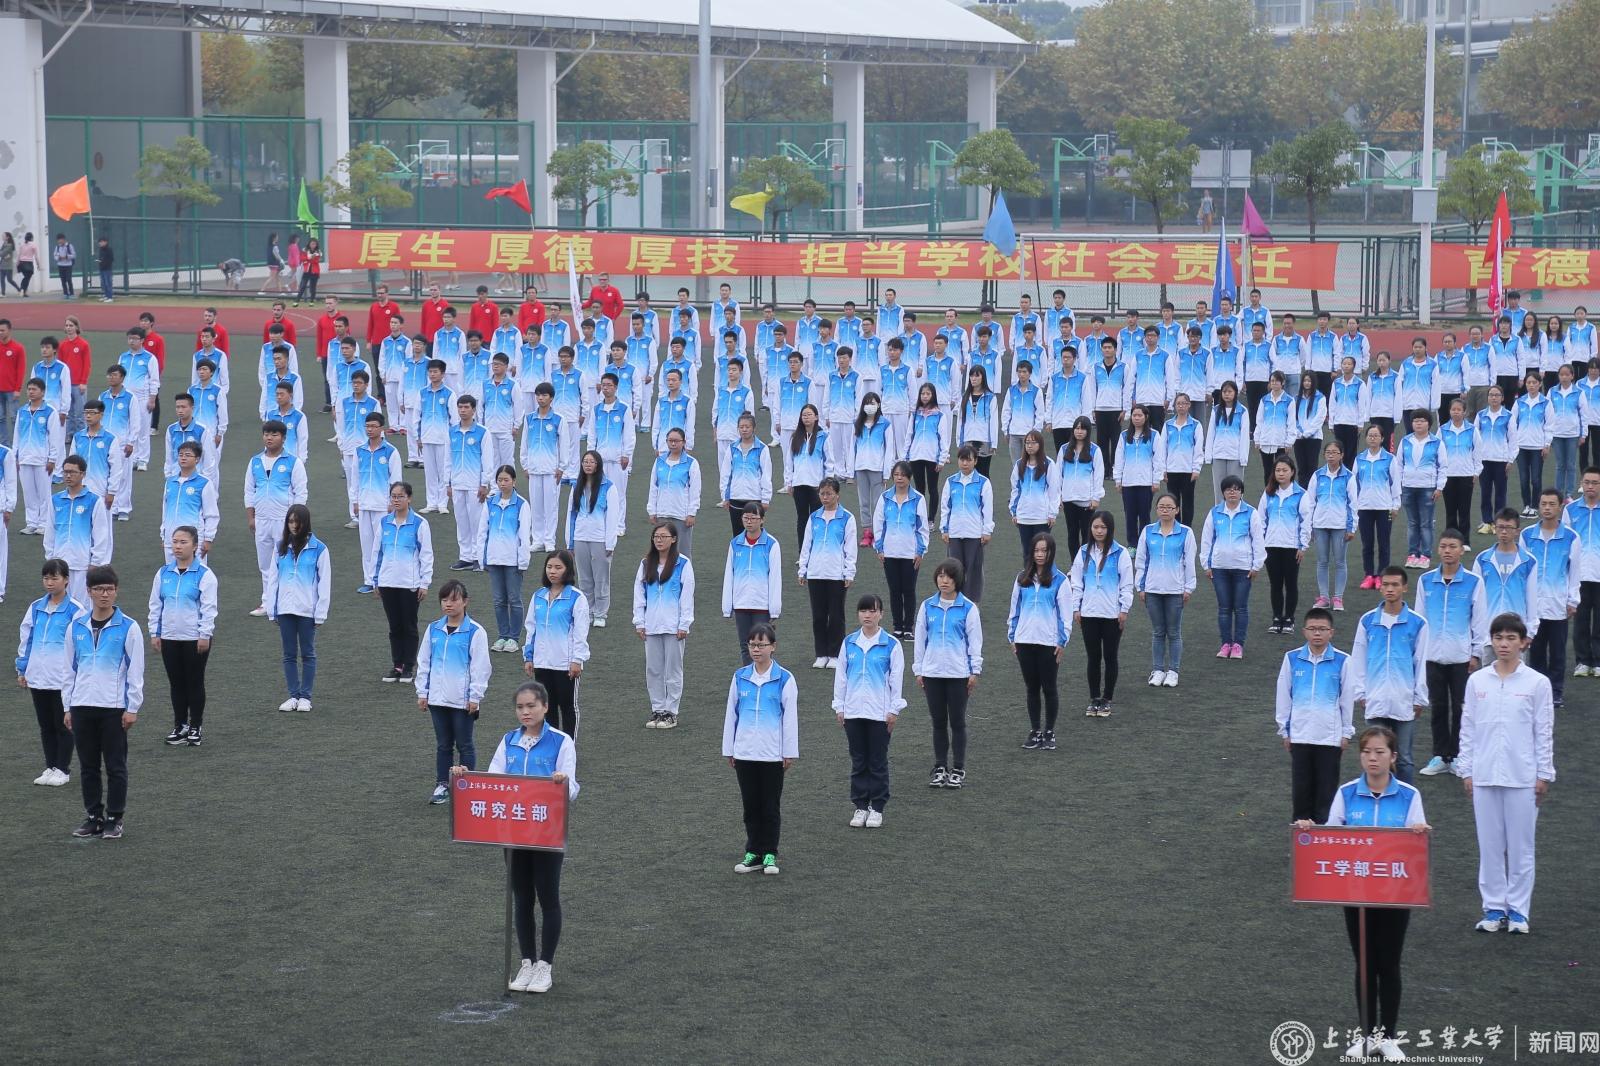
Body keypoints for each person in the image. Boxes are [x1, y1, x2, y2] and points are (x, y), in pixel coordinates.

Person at [1295, 725, 1430, 1063]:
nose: (1373, 758)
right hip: (1355, 892)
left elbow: (1416, 845)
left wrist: (1418, 832)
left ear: (1393, 757)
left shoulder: (1410, 796)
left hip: (1396, 894)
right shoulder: (1346, 793)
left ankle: (1390, 1037)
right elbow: (1332, 838)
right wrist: (1311, 831)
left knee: (1389, 963)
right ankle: (1367, 1034)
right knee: (1365, 962)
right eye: (1367, 752)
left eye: (1380, 752)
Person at [471, 680, 577, 994]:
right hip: (513, 831)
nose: (525, 712)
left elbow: (573, 787)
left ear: (545, 707)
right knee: (522, 898)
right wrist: (466, 778)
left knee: (548, 897)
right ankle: (527, 961)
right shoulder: (508, 741)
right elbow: (493, 779)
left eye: (531, 706)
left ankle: (545, 965)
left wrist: (561, 782)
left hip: (546, 832)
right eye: (520, 707)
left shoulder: (561, 742)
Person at [1459, 612, 1555, 937]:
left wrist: (1544, 773)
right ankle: (1493, 908)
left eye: (1511, 638)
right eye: (1498, 637)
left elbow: (1544, 731)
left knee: (1521, 846)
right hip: (1484, 774)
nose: (1504, 644)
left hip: (1522, 776)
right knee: (1489, 845)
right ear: (1492, 640)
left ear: (1524, 643)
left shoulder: (1537, 684)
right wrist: (1466, 769)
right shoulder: (1477, 681)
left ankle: (1518, 911)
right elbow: (1468, 728)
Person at [63, 564, 144, 840]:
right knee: (87, 766)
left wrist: (132, 707)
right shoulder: (76, 627)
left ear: (116, 591)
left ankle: (115, 818)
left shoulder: (129, 628)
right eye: (99, 589)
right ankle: (93, 816)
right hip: (82, 706)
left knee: (115, 766)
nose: (104, 595)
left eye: (109, 589)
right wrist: (67, 706)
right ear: (89, 592)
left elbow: (136, 671)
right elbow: (69, 669)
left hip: (113, 708)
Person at [722, 623, 798, 876]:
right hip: (744, 753)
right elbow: (731, 715)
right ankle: (753, 851)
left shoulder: (784, 679)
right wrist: (729, 749)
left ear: (773, 647)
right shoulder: (740, 676)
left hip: (771, 754)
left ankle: (769, 853)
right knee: (751, 805)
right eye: (752, 645)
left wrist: (788, 752)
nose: (756, 649)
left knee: (769, 805)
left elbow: (790, 719)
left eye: (761, 645)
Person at [1415, 530, 1490, 778]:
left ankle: (1458, 756)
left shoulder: (1473, 582)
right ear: (1438, 550)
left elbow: (1479, 620)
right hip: (1432, 656)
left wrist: (1476, 653)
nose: (1447, 551)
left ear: (1461, 551)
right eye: (1444, 546)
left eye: (1453, 546)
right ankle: (1440, 755)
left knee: (1461, 708)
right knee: (1437, 706)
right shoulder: (1425, 581)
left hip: (1461, 657)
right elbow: (1419, 619)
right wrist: (1419, 652)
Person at [1275, 606, 1354, 824]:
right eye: (1312, 629)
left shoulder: (1342, 660)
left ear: (1332, 632)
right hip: (1299, 736)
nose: (1317, 633)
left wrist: (1346, 732)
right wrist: (1285, 731)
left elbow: (1347, 699)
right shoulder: (1292, 659)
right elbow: (1284, 696)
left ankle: (1324, 846)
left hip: (1330, 738)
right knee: (1301, 793)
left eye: (1322, 629)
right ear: (1304, 632)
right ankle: (1301, 846)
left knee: (1326, 794)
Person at [1351, 567, 1430, 784]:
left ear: (1404, 587)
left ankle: (1406, 807)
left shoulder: (1418, 623)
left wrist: (1419, 697)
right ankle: (1376, 798)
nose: (1389, 589)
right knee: (1375, 755)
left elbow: (1421, 663)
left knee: (1403, 758)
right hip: (1374, 698)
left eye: (1395, 585)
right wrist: (1360, 693)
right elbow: (1358, 659)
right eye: (1385, 584)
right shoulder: (1367, 621)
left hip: (1404, 699)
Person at [831, 594, 903, 828]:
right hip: (853, 713)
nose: (868, 615)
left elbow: (896, 680)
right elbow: (841, 677)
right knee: (858, 760)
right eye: (863, 611)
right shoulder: (849, 642)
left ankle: (877, 807)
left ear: (881, 614)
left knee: (877, 761)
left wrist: (894, 710)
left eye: (872, 611)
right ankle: (860, 806)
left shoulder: (891, 644)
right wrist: (839, 706)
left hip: (879, 714)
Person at [416, 580, 491, 805]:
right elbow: (424, 662)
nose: (449, 604)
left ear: (465, 602)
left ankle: (467, 785)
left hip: (462, 701)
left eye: (454, 599)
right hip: (437, 699)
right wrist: (422, 692)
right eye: (445, 600)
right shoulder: (433, 629)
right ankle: (442, 785)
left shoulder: (475, 632)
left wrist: (475, 697)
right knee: (443, 744)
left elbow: (481, 667)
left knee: (464, 744)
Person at [913, 559, 982, 789]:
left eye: (949, 577)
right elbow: (920, 640)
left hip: (957, 674)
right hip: (932, 673)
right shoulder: (927, 606)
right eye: (940, 576)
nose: (944, 581)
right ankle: (940, 766)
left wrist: (974, 671)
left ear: (958, 580)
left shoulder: (969, 608)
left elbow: (975, 642)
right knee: (938, 722)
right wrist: (919, 669)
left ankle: (958, 768)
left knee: (958, 721)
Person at [147, 525, 218, 746]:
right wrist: (154, 632)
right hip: (169, 637)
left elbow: (209, 608)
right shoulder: (163, 573)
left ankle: (196, 726)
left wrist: (204, 634)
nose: (177, 546)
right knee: (176, 683)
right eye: (175, 541)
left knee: (194, 682)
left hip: (194, 639)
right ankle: (180, 726)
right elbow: (155, 604)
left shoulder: (205, 575)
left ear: (195, 546)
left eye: (183, 542)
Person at [17, 558, 83, 786]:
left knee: (62, 724)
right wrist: (23, 668)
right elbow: (27, 638)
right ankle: (50, 766)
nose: (49, 582)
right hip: (38, 676)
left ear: (66, 580)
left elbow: (80, 647)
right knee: (45, 725)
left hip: (62, 678)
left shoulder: (76, 610)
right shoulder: (36, 607)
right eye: (46, 578)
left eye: (54, 578)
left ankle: (63, 769)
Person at [264, 504, 331, 713]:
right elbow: (272, 579)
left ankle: (306, 696)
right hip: (285, 609)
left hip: (306, 610)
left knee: (308, 654)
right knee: (289, 654)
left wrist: (320, 613)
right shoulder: (280, 547)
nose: (293, 525)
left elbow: (324, 582)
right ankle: (293, 695)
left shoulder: (319, 548)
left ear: (305, 522)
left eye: (297, 521)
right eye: (290, 521)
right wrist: (271, 608)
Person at [1009, 533, 1072, 749]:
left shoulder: (1061, 581)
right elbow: (1014, 611)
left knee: (1049, 687)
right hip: (1024, 641)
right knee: (1031, 687)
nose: (1039, 555)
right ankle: (1035, 730)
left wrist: (1062, 642)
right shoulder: (1021, 579)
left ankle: (1049, 731)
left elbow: (1065, 615)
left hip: (1048, 643)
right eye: (1036, 550)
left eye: (1044, 551)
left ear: (1051, 552)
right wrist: (1012, 637)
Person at [1520, 488, 1581, 707]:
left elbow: (1574, 572)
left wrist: (1572, 600)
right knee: (1535, 651)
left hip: (1557, 605)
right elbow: (1522, 570)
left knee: (1557, 653)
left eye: (1551, 504)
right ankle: (1537, 692)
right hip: (1533, 605)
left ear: (1559, 507)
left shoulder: (1571, 537)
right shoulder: (1527, 535)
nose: (1546, 508)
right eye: (1543, 504)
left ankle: (1555, 692)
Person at [521, 550, 591, 738]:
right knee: (546, 707)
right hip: (542, 663)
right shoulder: (538, 596)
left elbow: (580, 632)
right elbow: (531, 628)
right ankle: (552, 746)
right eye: (549, 567)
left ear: (568, 570)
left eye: (558, 567)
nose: (552, 571)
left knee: (568, 706)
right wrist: (528, 656)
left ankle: (568, 748)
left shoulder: (577, 598)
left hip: (565, 663)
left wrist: (577, 660)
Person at [1070, 510, 1132, 716]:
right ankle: (1094, 698)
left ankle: (1107, 698)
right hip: (1089, 614)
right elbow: (1077, 582)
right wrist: (1076, 608)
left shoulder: (1120, 553)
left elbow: (1126, 584)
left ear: (1110, 529)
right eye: (1095, 527)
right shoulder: (1083, 552)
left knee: (1110, 656)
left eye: (1103, 527)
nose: (1098, 531)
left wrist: (1124, 609)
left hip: (1112, 614)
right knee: (1093, 657)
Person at [371, 482, 434, 684]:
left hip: (409, 583)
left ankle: (408, 666)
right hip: (388, 582)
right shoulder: (384, 523)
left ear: (409, 498)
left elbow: (426, 555)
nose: (396, 500)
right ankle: (396, 665)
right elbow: (377, 553)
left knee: (409, 625)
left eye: (400, 496)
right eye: (393, 496)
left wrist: (425, 583)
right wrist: (376, 581)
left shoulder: (420, 524)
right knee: (394, 625)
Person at [634, 521, 695, 729]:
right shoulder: (645, 564)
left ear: (674, 539)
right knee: (653, 669)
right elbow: (639, 595)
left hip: (673, 626)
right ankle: (658, 709)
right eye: (656, 537)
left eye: (663, 536)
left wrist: (684, 624)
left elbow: (687, 596)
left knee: (673, 670)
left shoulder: (683, 564)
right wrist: (639, 622)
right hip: (651, 626)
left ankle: (671, 712)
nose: (659, 540)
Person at [1199, 474, 1263, 660]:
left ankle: (1238, 645)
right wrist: (1206, 564)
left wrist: (1256, 565)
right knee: (1224, 607)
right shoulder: (1215, 513)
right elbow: (1206, 539)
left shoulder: (1251, 513)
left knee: (1241, 607)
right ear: (1223, 493)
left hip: (1243, 567)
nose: (1232, 492)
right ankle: (1225, 643)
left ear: (1241, 491)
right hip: (1219, 567)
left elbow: (1258, 540)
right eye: (1228, 489)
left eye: (1236, 489)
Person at [1135, 492, 1196, 686]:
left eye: (1169, 507)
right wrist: (1140, 586)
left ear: (1177, 510)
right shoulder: (1148, 531)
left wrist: (1188, 588)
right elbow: (1141, 561)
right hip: (1152, 590)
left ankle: (1174, 671)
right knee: (1158, 632)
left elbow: (1189, 562)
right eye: (1161, 506)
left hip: (1175, 591)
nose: (1165, 510)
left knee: (1174, 632)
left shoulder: (1186, 532)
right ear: (1156, 510)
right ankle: (1158, 669)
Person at [797, 477, 857, 669]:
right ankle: (821, 653)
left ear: (837, 495)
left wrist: (849, 572)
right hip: (815, 573)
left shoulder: (847, 518)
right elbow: (806, 545)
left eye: (828, 493)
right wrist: (803, 569)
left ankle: (835, 654)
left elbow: (850, 548)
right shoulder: (814, 517)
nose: (825, 497)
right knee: (818, 616)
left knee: (836, 615)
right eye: (822, 493)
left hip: (836, 574)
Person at [479, 465, 533, 653]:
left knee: (514, 599)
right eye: (500, 480)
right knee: (498, 600)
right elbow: (482, 532)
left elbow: (525, 535)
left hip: (512, 560)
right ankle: (502, 636)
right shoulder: (490, 503)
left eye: (506, 480)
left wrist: (523, 560)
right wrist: (482, 558)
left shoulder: (521, 505)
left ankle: (514, 637)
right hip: (494, 559)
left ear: (514, 481)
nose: (503, 483)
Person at [44, 455, 112, 605]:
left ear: (83, 474)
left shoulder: (94, 501)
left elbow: (101, 535)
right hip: (60, 563)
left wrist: (95, 562)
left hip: (82, 564)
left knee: (82, 606)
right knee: (60, 605)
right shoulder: (55, 500)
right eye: (65, 471)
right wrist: (50, 557)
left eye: (73, 472)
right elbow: (50, 530)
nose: (68, 475)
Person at [874, 461, 928, 641]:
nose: (899, 478)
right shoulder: (885, 498)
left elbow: (922, 528)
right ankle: (897, 626)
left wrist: (920, 551)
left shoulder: (918, 499)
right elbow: (879, 524)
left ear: (909, 478)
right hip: (889, 553)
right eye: (896, 475)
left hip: (909, 553)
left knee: (909, 590)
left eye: (903, 475)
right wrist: (879, 548)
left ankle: (908, 627)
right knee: (894, 590)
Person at [1304, 441, 1356, 612]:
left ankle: (1338, 598)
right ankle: (1324, 597)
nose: (1331, 455)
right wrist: (1309, 526)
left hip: (1340, 525)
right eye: (1328, 452)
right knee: (1322, 562)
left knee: (1340, 562)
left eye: (1334, 452)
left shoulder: (1348, 477)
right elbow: (1310, 502)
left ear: (1341, 455)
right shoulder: (1317, 476)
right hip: (1319, 525)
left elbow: (1353, 504)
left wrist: (1351, 528)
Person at [939, 445, 994, 603]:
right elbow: (945, 507)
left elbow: (987, 509)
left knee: (974, 569)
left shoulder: (983, 483)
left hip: (975, 533)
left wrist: (987, 531)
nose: (965, 463)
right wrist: (945, 529)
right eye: (962, 459)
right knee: (954, 569)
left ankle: (972, 602)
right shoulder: (950, 482)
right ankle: (955, 599)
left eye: (968, 460)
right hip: (955, 533)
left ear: (975, 461)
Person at [13, 377, 64, 534]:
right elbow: (17, 435)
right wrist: (15, 456)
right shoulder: (22, 411)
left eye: (34, 389)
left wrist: (52, 459)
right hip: (24, 458)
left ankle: (44, 523)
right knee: (29, 494)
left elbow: (55, 437)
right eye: (29, 389)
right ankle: (32, 522)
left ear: (42, 392)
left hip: (42, 460)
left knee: (44, 493)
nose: (31, 392)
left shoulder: (50, 412)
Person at [1354, 424, 1401, 590]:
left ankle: (1382, 575)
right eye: (1370, 435)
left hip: (1384, 507)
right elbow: (1355, 484)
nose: (1372, 438)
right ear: (1366, 438)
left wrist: (1395, 505)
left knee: (1383, 543)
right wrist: (1355, 505)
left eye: (1376, 435)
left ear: (1382, 439)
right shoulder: (1360, 459)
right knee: (1367, 544)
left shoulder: (1390, 459)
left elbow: (1395, 483)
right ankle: (1368, 575)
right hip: (1364, 507)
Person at [1396, 410, 1445, 570]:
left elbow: (1443, 466)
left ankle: (1425, 555)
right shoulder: (1405, 441)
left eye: (1422, 421)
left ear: (1429, 424)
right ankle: (1412, 554)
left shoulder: (1437, 442)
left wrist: (1439, 487)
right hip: (1408, 486)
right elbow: (1399, 465)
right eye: (1415, 421)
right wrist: (1399, 485)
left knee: (1426, 523)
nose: (1418, 423)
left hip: (1427, 487)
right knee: (1412, 523)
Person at [645, 429, 700, 557]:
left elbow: (695, 490)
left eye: (676, 441)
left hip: (681, 515)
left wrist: (692, 513)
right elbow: (653, 487)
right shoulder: (659, 461)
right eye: (670, 441)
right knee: (661, 551)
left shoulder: (691, 463)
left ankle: (685, 577)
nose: (673, 444)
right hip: (662, 513)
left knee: (683, 553)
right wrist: (652, 510)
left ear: (684, 442)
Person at [784, 404, 828, 544]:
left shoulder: (823, 437)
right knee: (802, 519)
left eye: (809, 414)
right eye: (804, 415)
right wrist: (788, 482)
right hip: (799, 484)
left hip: (817, 486)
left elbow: (829, 462)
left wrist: (827, 484)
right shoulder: (795, 437)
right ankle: (802, 552)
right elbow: (789, 462)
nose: (806, 417)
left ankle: (815, 549)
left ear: (816, 417)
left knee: (816, 518)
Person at [1570, 468, 1600, 677]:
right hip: (1578, 575)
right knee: (1580, 620)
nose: (1590, 486)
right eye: (1587, 482)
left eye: (1595, 483)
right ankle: (1582, 660)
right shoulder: (1570, 510)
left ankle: (1598, 661)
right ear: (1582, 483)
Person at [1473, 385, 1514, 533]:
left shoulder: (1508, 416)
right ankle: (1486, 521)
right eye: (1491, 395)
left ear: (1502, 398)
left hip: (1501, 459)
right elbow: (1475, 439)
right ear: (1488, 398)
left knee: (1500, 493)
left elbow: (1513, 439)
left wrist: (1510, 459)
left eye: (1497, 395)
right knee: (1485, 492)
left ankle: (1499, 522)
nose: (1494, 398)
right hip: (1484, 459)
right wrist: (1476, 459)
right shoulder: (1481, 415)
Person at [1438, 398, 1479, 543]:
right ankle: (1450, 538)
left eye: (1459, 410)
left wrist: (1476, 472)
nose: (1456, 412)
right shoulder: (1442, 430)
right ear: (1449, 411)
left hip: (1466, 475)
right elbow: (1438, 453)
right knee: (1450, 510)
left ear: (1464, 412)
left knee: (1464, 509)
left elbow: (1477, 452)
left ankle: (1464, 540)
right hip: (1448, 475)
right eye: (1453, 410)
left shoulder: (1472, 430)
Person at [1512, 370, 1550, 517]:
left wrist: (1546, 444)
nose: (1531, 385)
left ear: (1540, 384)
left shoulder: (1545, 403)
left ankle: (1535, 506)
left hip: (1537, 447)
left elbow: (1549, 425)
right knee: (1523, 479)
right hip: (1521, 446)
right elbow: (1512, 424)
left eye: (1534, 382)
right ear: (1525, 385)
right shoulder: (1519, 402)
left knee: (1535, 478)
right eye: (1528, 383)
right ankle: (1526, 505)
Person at [1205, 380, 1252, 500]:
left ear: (1236, 393)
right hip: (1218, 454)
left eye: (1230, 391)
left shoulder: (1242, 411)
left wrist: (1243, 457)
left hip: (1235, 456)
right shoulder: (1216, 410)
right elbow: (1211, 433)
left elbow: (1244, 436)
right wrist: (1208, 455)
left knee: (1235, 489)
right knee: (1219, 490)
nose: (1227, 394)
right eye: (1224, 391)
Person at [51, 233, 76, 299]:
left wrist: (67, 257)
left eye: (60, 240)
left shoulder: (69, 246)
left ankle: (72, 293)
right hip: (60, 265)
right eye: (58, 240)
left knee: (68, 279)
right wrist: (58, 258)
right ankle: (65, 293)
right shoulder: (57, 247)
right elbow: (55, 255)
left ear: (64, 239)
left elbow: (74, 255)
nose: (59, 241)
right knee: (63, 280)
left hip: (68, 265)